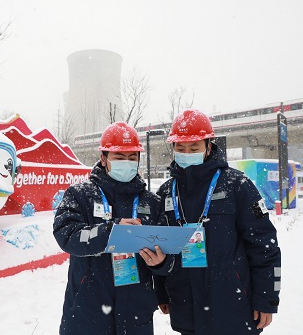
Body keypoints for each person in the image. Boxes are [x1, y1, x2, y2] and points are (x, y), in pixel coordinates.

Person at [154, 109, 281, 335]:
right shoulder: (166, 192)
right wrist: (162, 294)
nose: (186, 153)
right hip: (186, 307)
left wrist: (266, 299)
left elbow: (264, 245)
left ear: (209, 146)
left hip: (233, 307)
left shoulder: (237, 185)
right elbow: (161, 247)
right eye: (180, 148)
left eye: (194, 148)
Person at [53, 121, 174, 335]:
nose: (126, 163)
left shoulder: (151, 203)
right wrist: (111, 232)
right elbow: (66, 235)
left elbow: (168, 254)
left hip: (136, 315)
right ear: (104, 158)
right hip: (87, 314)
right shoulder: (79, 195)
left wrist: (161, 262)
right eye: (119, 157)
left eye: (131, 157)